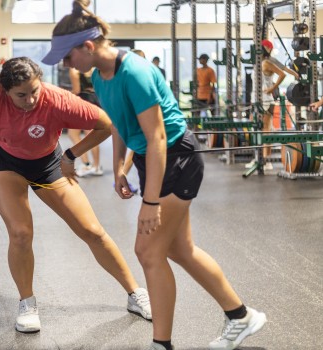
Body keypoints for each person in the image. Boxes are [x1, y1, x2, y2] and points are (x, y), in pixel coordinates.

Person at [42, 1, 267, 349]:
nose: (66, 65)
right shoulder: (101, 77)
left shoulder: (136, 72)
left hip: (177, 158)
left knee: (148, 252)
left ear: (87, 47)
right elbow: (117, 122)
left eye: (68, 57)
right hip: (154, 159)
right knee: (181, 250)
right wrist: (120, 165)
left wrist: (150, 200)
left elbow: (157, 137)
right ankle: (240, 316)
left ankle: (161, 344)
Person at [0, 57, 151, 334]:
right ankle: (27, 303)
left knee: (92, 230)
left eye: (34, 91)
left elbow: (105, 125)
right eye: (21, 95)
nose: (30, 100)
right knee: (21, 233)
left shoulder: (58, 100)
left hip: (48, 164)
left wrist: (72, 154)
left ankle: (135, 293)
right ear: (5, 91)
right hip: (4, 162)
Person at [247, 39, 287, 170]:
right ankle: (258, 157)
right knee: (255, 129)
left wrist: (272, 88)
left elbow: (282, 74)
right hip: (257, 100)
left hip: (266, 101)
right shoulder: (258, 64)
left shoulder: (266, 63)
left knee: (265, 131)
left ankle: (266, 160)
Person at [67, 67, 103, 177]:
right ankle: (93, 166)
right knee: (91, 135)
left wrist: (66, 95)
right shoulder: (95, 69)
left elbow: (77, 91)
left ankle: (90, 165)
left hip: (82, 102)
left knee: (74, 134)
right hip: (95, 100)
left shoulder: (74, 70)